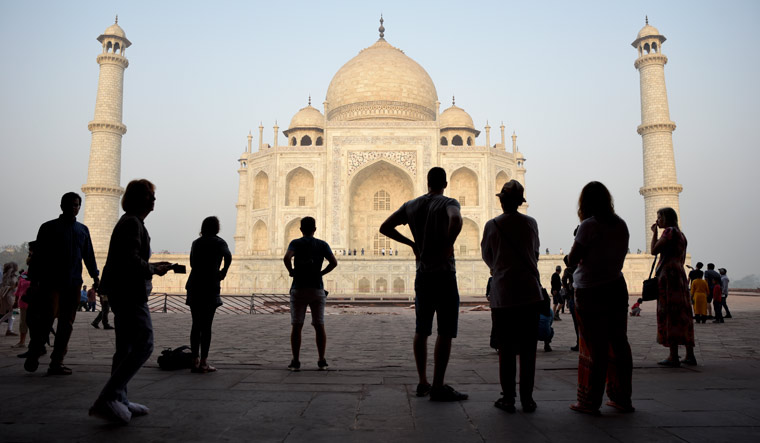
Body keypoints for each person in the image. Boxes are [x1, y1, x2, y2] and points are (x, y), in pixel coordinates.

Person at [380, 167, 467, 402]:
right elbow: (457, 219)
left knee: (422, 330)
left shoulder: (412, 205)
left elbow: (384, 227)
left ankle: (422, 381)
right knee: (445, 331)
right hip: (445, 274)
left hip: (423, 274)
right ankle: (438, 385)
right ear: (445, 183)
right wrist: (449, 242)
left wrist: (411, 244)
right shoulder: (449, 202)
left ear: (427, 183)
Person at [89, 179, 172, 424]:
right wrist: (153, 269)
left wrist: (152, 267)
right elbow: (129, 261)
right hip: (129, 293)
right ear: (139, 199)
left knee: (124, 349)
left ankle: (119, 400)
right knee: (145, 343)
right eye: (150, 196)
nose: (154, 200)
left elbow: (130, 259)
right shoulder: (132, 223)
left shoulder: (133, 223)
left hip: (123, 291)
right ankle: (108, 397)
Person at [566, 181, 634, 415]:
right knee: (619, 343)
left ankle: (590, 401)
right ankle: (622, 398)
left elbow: (573, 259)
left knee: (595, 347)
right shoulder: (621, 224)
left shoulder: (588, 225)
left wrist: (570, 258)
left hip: (591, 289)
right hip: (616, 285)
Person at [481, 180, 542, 412]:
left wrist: (499, 266)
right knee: (528, 349)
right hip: (529, 292)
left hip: (504, 293)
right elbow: (534, 252)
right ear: (520, 202)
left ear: (501, 201)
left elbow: (487, 256)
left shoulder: (492, 225)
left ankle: (508, 398)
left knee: (505, 349)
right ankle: (527, 398)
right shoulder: (530, 223)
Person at [24, 192, 99, 375]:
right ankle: (35, 351)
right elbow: (38, 256)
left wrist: (95, 276)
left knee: (66, 323)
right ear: (62, 206)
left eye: (76, 205)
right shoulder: (49, 228)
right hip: (52, 282)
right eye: (71, 204)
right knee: (46, 318)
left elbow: (88, 255)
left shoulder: (82, 230)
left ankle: (57, 361)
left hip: (73, 283)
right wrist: (34, 281)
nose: (74, 208)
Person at [283, 216, 337, 372]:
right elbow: (334, 263)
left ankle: (296, 361)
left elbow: (287, 258)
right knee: (319, 325)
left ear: (301, 229)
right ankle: (321, 360)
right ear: (315, 229)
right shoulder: (322, 244)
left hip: (298, 288)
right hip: (317, 288)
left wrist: (291, 271)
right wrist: (321, 273)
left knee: (297, 325)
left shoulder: (296, 243)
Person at [185, 216, 232, 373]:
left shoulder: (196, 243)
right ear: (216, 228)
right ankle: (204, 361)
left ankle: (194, 360)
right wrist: (223, 271)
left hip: (194, 285)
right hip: (210, 285)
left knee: (195, 325)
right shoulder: (219, 242)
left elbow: (192, 263)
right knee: (206, 326)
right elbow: (228, 256)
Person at [651, 207, 696, 367]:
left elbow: (654, 250)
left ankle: (673, 356)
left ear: (667, 218)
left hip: (669, 276)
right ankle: (690, 355)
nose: (658, 220)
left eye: (660, 217)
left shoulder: (669, 232)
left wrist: (654, 233)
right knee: (683, 313)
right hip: (679, 274)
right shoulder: (681, 234)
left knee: (670, 312)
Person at [563, 265, 579, 350]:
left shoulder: (568, 270)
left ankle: (579, 343)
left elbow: (563, 280)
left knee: (576, 323)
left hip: (573, 296)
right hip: (584, 296)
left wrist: (568, 291)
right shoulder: (581, 267)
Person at [13, 269, 31, 346]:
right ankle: (22, 341)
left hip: (36, 303)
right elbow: (19, 289)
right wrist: (15, 301)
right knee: (23, 322)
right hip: (23, 303)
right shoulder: (23, 275)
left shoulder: (41, 274)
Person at [0, 262, 19, 336]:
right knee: (14, 311)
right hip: (9, 296)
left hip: (12, 295)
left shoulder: (13, 276)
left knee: (12, 312)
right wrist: (13, 287)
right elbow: (4, 286)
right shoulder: (7, 276)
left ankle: (9, 329)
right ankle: (8, 328)